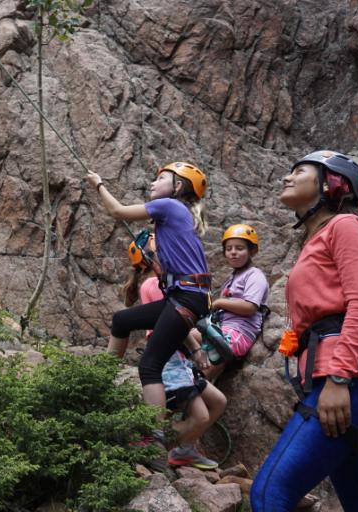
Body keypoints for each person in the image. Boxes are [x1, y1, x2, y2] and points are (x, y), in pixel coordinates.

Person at [250, 151, 358, 510]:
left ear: (331, 183)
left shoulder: (345, 226)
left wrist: (339, 378)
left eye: (299, 171)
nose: (287, 177)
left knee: (269, 494)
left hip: (348, 382)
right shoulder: (313, 240)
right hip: (345, 383)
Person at [85, 162, 212, 425]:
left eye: (161, 178)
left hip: (185, 297)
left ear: (177, 186)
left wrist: (98, 183)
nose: (153, 183)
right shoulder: (178, 216)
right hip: (186, 296)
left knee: (150, 366)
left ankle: (152, 435)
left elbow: (117, 211)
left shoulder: (169, 206)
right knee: (122, 321)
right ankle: (99, 382)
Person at [138, 277, 226, 470]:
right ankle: (148, 442)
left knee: (218, 401)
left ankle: (184, 449)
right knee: (200, 416)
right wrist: (196, 340)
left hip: (183, 363)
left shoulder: (172, 281)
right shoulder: (154, 285)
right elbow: (174, 322)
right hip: (170, 363)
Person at [201, 224, 269, 381]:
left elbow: (250, 307)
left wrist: (219, 303)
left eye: (239, 248)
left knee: (201, 376)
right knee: (187, 334)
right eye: (229, 248)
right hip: (221, 328)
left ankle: (196, 387)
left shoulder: (254, 275)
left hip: (238, 332)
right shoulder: (232, 278)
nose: (233, 252)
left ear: (252, 251)